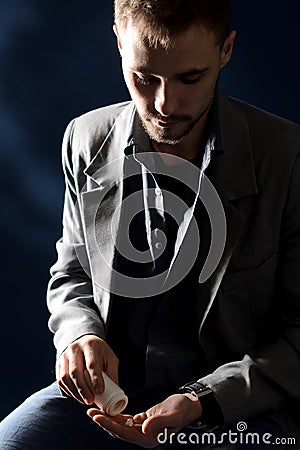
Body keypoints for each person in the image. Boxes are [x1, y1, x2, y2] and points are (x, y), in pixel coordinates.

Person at [1, 0, 299, 448]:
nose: (165, 104)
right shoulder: (84, 138)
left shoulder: (288, 158)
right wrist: (79, 332)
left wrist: (201, 399)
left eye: (189, 78)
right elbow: (72, 271)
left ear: (227, 50)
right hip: (109, 400)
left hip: (237, 406)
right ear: (119, 44)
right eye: (144, 78)